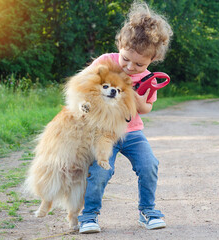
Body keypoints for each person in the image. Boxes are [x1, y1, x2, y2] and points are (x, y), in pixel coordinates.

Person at [78, 0, 173, 233]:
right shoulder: (105, 62)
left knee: (149, 164)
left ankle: (148, 211)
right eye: (126, 59)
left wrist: (140, 102)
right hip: (104, 133)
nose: (130, 67)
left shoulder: (150, 78)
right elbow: (82, 83)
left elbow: (147, 108)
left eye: (139, 64)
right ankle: (89, 215)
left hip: (132, 133)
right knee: (101, 171)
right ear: (120, 45)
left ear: (153, 60)